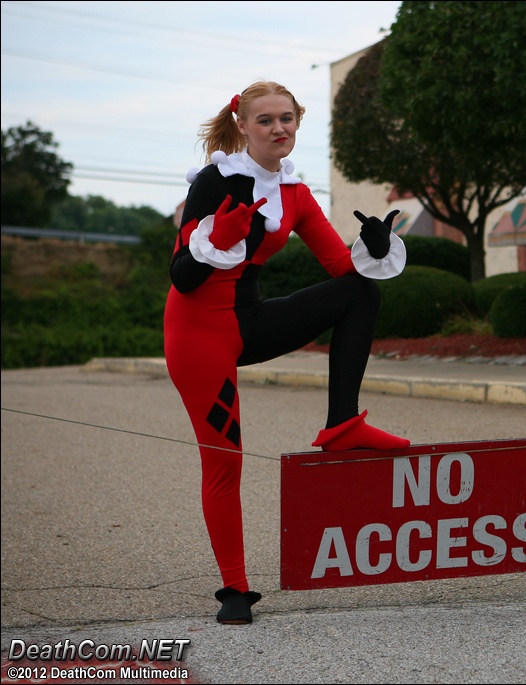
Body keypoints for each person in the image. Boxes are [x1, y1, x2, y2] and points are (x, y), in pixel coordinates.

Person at [163, 80, 410, 625]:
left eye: (287, 119)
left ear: (297, 123)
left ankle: (342, 425)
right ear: (244, 126)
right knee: (224, 459)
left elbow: (341, 272)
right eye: (266, 120)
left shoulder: (294, 193)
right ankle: (234, 588)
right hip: (198, 332)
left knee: (362, 290)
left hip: (249, 321)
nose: (279, 129)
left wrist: (371, 249)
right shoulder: (215, 182)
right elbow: (182, 278)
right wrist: (219, 238)